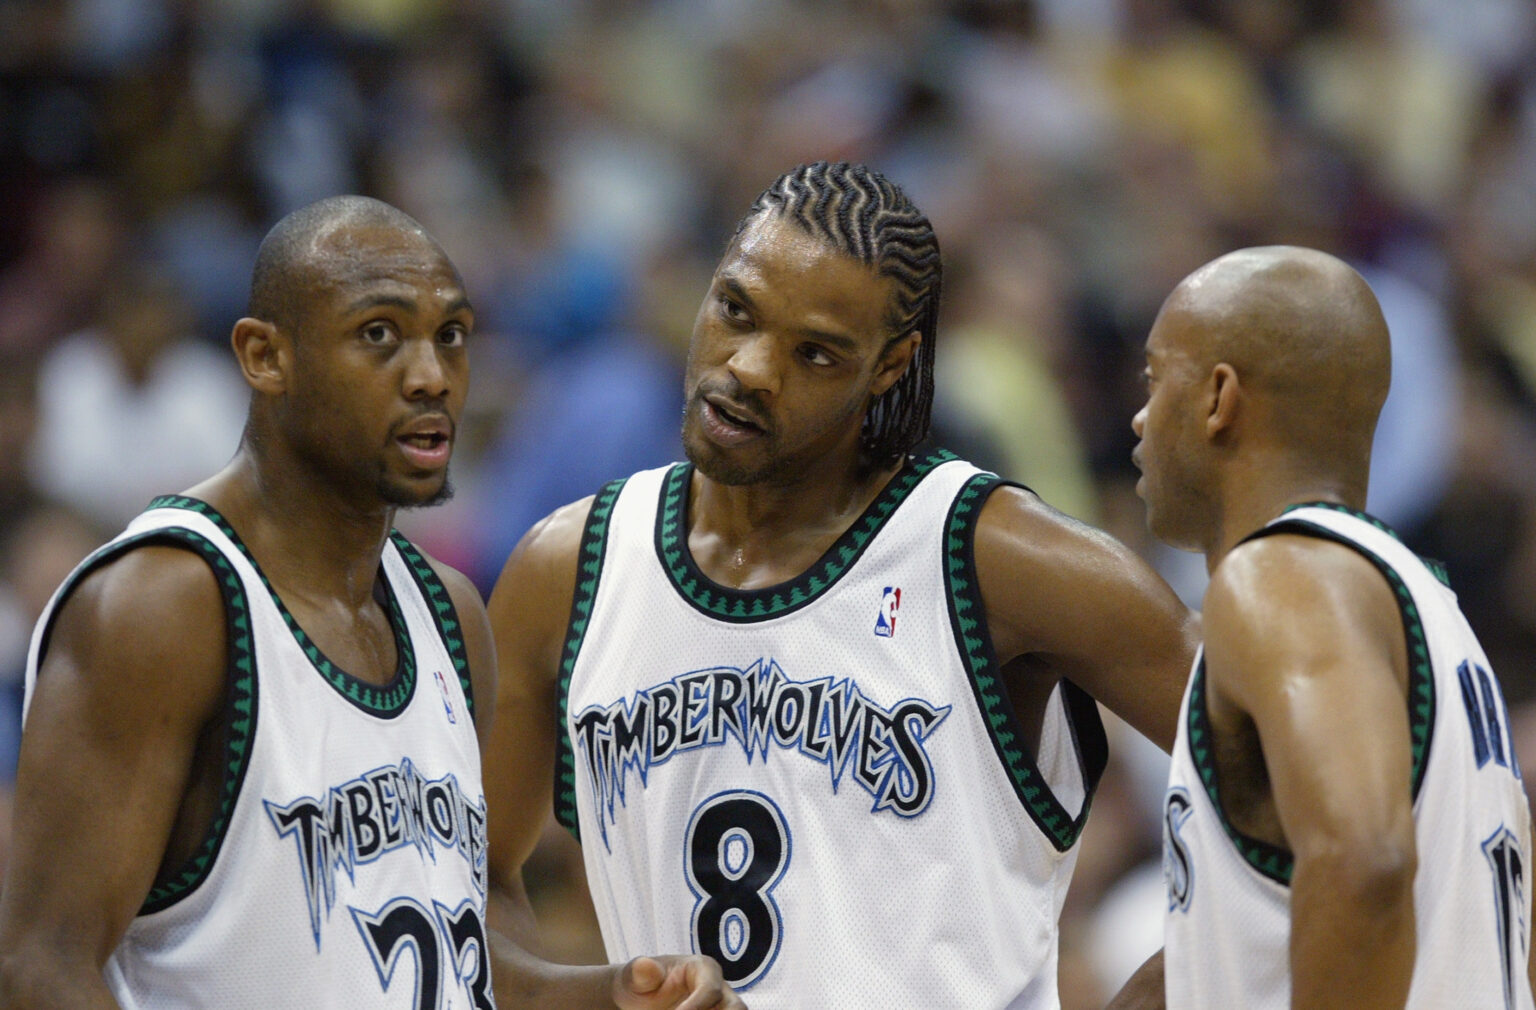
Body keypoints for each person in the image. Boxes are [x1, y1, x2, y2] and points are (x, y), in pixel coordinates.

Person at [483, 161, 1197, 1008]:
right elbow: (466, 890)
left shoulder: (992, 558)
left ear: (891, 367)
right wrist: (603, 994)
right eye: (735, 310)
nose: (751, 367)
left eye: (814, 353)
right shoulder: (568, 569)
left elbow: (1292, 782)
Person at [0, 195, 742, 1010]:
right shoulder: (164, 604)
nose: (431, 376)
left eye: (451, 335)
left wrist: (613, 995)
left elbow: (464, 950)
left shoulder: (448, 613)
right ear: (264, 356)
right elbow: (39, 968)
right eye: (380, 334)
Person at [1128, 245, 1536, 1008]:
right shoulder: (1430, 609)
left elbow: (1364, 864)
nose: (1141, 416)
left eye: (1155, 378)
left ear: (1219, 398)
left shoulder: (1282, 576)